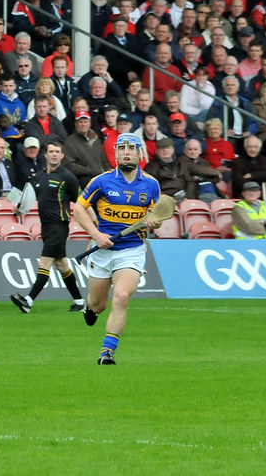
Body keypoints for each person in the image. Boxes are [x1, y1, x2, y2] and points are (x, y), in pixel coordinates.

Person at [74, 133, 162, 365]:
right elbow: (79, 209)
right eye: (121, 148)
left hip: (131, 250)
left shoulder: (151, 184)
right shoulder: (101, 181)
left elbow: (156, 216)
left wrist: (155, 221)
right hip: (102, 250)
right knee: (99, 304)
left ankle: (107, 351)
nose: (126, 152)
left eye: (131, 148)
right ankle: (89, 308)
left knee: (121, 296)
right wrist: (97, 235)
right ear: (115, 153)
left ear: (139, 153)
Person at [10, 141, 85, 313]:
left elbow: (80, 201)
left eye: (57, 151)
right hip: (46, 226)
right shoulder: (39, 176)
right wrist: (18, 207)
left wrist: (94, 220)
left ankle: (28, 301)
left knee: (44, 263)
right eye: (51, 151)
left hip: (59, 225)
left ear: (62, 155)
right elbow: (28, 196)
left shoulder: (68, 177)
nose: (53, 154)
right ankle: (80, 302)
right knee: (61, 265)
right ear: (45, 155)